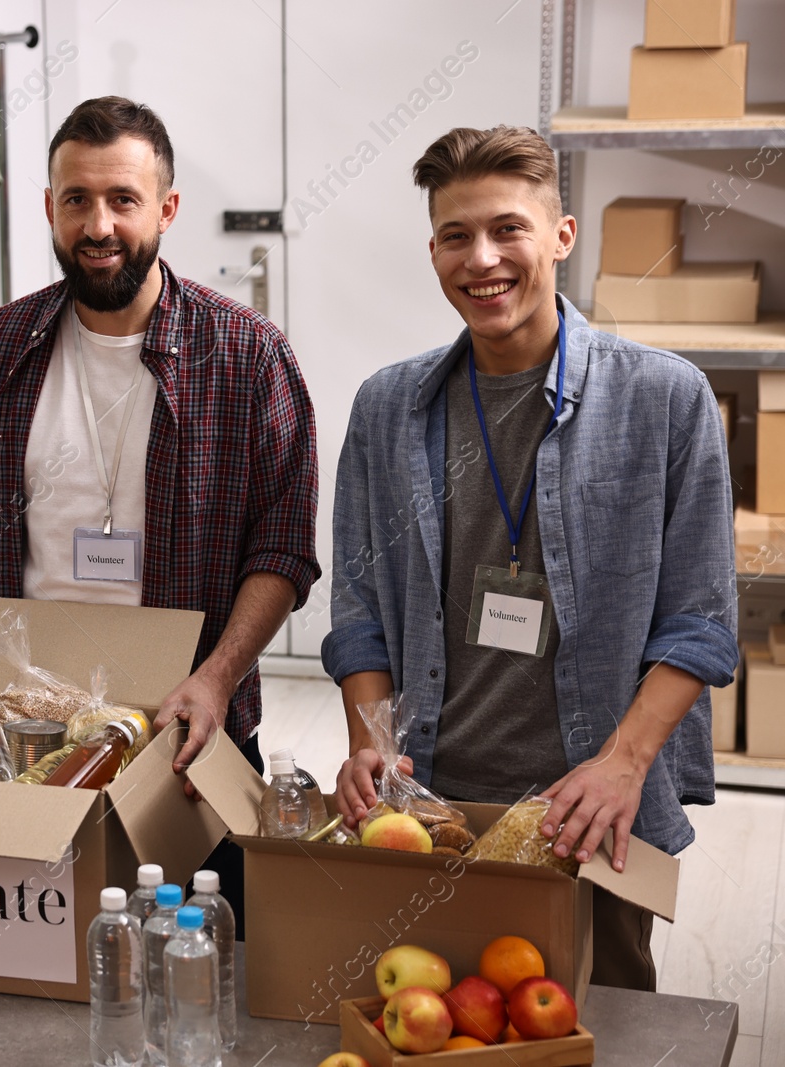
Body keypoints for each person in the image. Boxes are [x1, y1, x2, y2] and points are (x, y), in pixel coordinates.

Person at [324, 125, 738, 991]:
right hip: (432, 804)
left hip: (592, 810)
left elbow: (700, 624)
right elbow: (359, 614)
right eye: (455, 235)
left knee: (598, 1022)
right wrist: (372, 742)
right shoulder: (388, 408)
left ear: (561, 235)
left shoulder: (666, 400)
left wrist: (624, 764)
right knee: (440, 1015)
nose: (483, 259)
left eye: (508, 228)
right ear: (433, 248)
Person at [0, 96, 319, 913]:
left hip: (184, 728)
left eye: (123, 200)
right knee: (36, 945)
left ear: (165, 209)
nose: (98, 225)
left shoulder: (247, 354)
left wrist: (216, 677)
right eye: (77, 200)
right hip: (22, 724)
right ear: (50, 209)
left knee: (202, 947)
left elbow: (283, 550)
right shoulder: (0, 344)